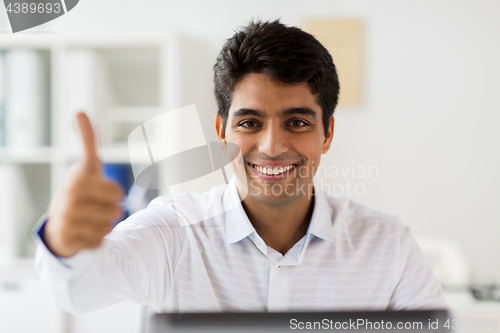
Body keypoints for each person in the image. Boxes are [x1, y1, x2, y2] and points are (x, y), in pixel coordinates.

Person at [33, 19, 447, 314]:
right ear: (222, 131)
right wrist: (65, 241)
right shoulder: (174, 232)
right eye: (250, 123)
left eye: (297, 122)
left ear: (327, 133)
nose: (271, 146)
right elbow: (80, 290)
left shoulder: (388, 245)